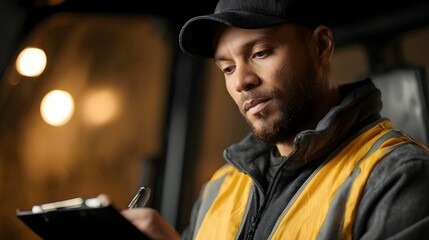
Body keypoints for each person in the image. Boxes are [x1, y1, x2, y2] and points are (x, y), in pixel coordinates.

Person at [121, 0, 429, 239]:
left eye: (260, 52)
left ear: (320, 46)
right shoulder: (219, 187)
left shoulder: (398, 177)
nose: (241, 81)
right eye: (227, 68)